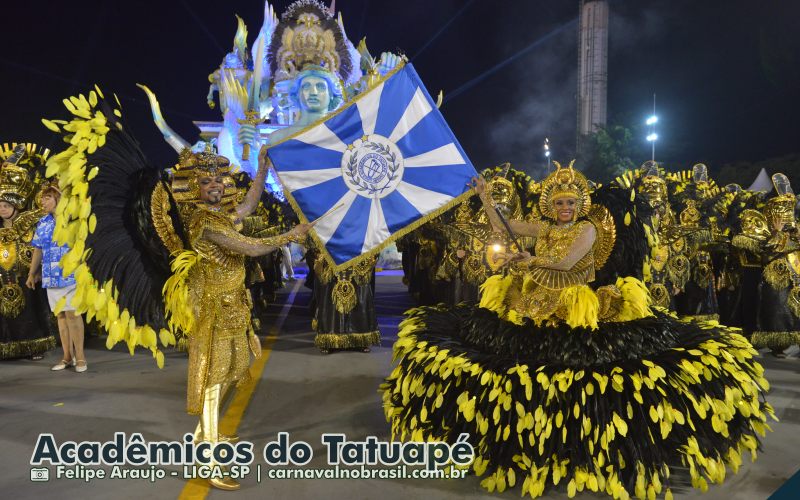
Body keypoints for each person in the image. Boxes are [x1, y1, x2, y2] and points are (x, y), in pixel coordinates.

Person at [382, 162, 773, 498]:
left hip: (573, 299)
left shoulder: (586, 230)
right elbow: (506, 224)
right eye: (559, 203)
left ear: (580, 205)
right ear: (551, 206)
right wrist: (485, 198)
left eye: (570, 203)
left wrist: (527, 257)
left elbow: (569, 265)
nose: (565, 208)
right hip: (532, 293)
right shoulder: (546, 226)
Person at [0, 146, 56, 360]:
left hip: (25, 280)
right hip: (3, 281)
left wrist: (35, 271)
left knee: (30, 312)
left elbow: (37, 250)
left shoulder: (29, 229)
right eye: (0, 205)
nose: (2, 209)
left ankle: (34, 347)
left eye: (6, 205)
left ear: (17, 206)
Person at [26, 181, 85, 371]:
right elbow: (38, 250)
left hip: (71, 274)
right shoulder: (42, 223)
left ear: (58, 199)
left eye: (48, 197)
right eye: (42, 198)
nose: (43, 201)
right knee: (60, 316)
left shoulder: (71, 219)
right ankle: (67, 357)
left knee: (73, 314)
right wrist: (32, 273)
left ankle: (81, 357)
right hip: (51, 276)